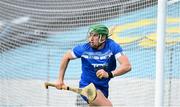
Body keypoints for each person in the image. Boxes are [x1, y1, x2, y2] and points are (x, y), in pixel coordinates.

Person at [56, 24, 131, 106]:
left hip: (103, 88)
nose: (91, 39)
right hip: (87, 86)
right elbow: (66, 56)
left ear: (103, 38)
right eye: (90, 35)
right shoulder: (84, 48)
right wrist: (60, 80)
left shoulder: (112, 46)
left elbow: (127, 66)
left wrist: (109, 74)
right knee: (107, 106)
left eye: (95, 35)